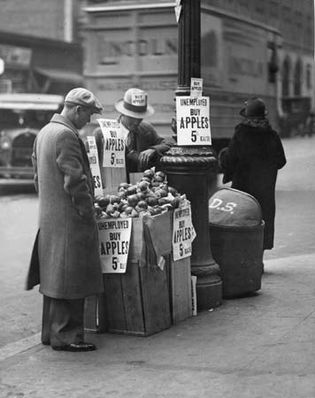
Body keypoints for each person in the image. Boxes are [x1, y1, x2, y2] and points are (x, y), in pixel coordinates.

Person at [26, 87, 104, 352]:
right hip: (70, 218)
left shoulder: (45, 132)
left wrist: (50, 203)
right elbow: (76, 181)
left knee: (53, 274)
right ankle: (67, 336)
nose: (89, 120)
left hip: (51, 217)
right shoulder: (66, 135)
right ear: (76, 110)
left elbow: (37, 175)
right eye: (88, 114)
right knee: (71, 277)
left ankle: (50, 332)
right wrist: (87, 212)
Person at [219, 97, 287, 262]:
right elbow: (281, 161)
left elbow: (231, 159)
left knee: (242, 221)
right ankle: (259, 261)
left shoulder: (241, 133)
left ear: (247, 116)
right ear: (263, 116)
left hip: (243, 190)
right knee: (262, 221)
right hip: (265, 190)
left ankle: (245, 261)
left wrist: (223, 156)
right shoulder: (272, 135)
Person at [115, 87, 174, 177]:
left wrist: (153, 149)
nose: (136, 122)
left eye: (140, 118)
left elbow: (168, 145)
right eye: (132, 117)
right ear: (123, 113)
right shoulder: (108, 131)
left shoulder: (146, 129)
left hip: (141, 185)